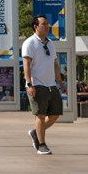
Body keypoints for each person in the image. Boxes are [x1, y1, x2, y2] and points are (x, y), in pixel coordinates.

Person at [22, 14, 64, 155]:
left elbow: (54, 64)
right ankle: (41, 145)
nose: (47, 26)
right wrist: (29, 84)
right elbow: (26, 65)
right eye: (44, 24)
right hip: (37, 83)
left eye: (47, 24)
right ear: (36, 27)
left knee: (55, 113)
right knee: (40, 114)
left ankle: (35, 132)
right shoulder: (29, 43)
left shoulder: (50, 43)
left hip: (51, 85)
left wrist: (60, 83)